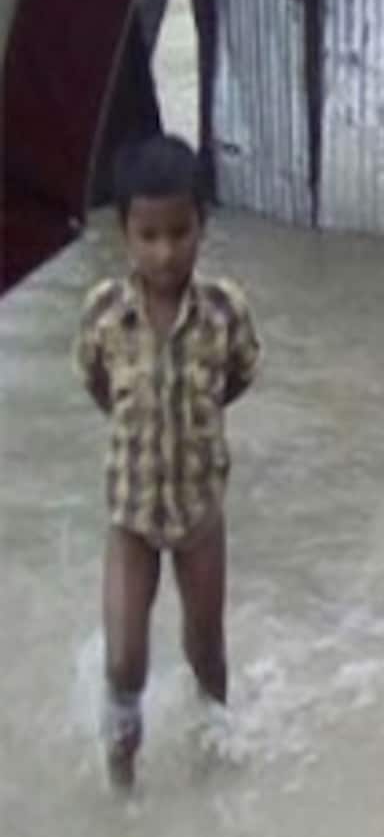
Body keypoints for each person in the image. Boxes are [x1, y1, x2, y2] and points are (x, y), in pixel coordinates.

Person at [75, 135, 259, 790]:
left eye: (180, 232)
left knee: (206, 648)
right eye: (148, 235)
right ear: (124, 232)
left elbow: (238, 377)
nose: (165, 251)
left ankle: (215, 752)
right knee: (126, 659)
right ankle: (120, 777)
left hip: (200, 512)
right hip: (130, 513)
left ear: (201, 226)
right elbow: (98, 384)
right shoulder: (103, 314)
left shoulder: (224, 311)